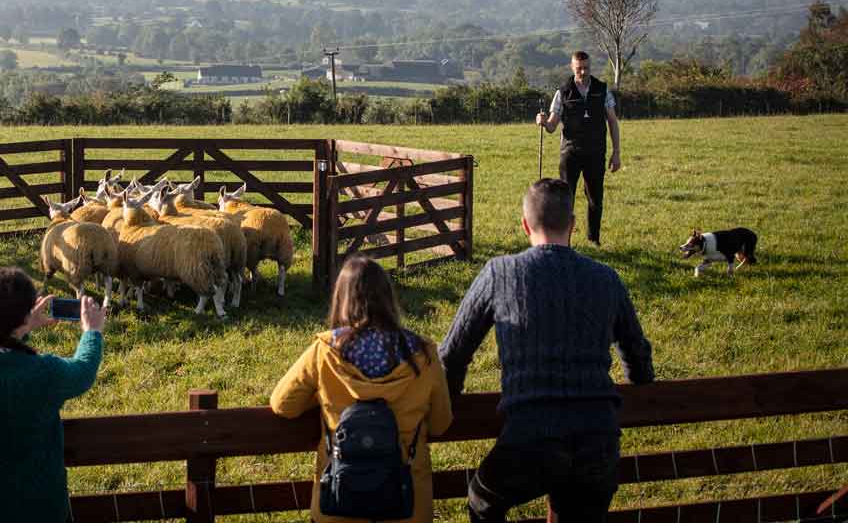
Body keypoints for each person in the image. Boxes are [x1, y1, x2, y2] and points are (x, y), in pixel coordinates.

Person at [438, 179, 655, 523]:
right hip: (598, 442)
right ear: (572, 224)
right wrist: (639, 378)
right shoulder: (606, 278)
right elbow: (638, 360)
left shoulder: (501, 273)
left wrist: (446, 403)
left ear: (525, 224)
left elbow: (452, 354)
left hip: (531, 437)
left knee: (483, 500)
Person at [270, 256, 453, 523]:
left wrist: (321, 394)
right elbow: (440, 423)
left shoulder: (325, 351)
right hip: (408, 505)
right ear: (388, 298)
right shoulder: (423, 354)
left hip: (338, 503)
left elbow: (282, 404)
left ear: (341, 299)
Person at [0, 267, 106, 523]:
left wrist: (21, 327)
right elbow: (83, 372)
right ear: (21, 317)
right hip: (39, 504)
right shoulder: (43, 372)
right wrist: (92, 333)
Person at [535, 50, 621, 246]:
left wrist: (616, 153)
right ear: (572, 68)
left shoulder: (602, 90)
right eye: (579, 68)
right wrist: (543, 121)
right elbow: (551, 126)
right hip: (570, 153)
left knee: (595, 199)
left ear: (590, 67)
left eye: (586, 68)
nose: (583, 72)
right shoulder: (563, 92)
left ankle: (594, 239)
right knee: (566, 200)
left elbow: (613, 122)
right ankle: (565, 241)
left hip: (595, 152)